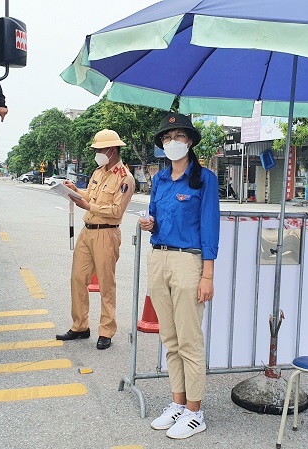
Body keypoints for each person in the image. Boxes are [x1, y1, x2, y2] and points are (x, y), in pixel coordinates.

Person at [138, 113, 220, 439]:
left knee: (189, 340)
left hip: (189, 263)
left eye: (180, 136)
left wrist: (208, 276)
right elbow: (156, 218)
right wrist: (149, 224)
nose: (174, 142)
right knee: (169, 340)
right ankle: (178, 404)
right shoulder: (158, 180)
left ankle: (196, 412)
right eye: (168, 137)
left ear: (189, 142)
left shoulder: (205, 179)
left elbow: (210, 228)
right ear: (162, 144)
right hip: (158, 258)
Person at [56, 129, 135, 350]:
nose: (97, 153)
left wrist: (88, 206)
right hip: (87, 231)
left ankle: (106, 330)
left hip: (107, 233)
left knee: (106, 284)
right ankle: (80, 326)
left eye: (99, 150)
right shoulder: (98, 172)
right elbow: (90, 195)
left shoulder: (125, 178)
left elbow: (117, 210)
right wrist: (74, 191)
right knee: (77, 278)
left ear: (111, 150)